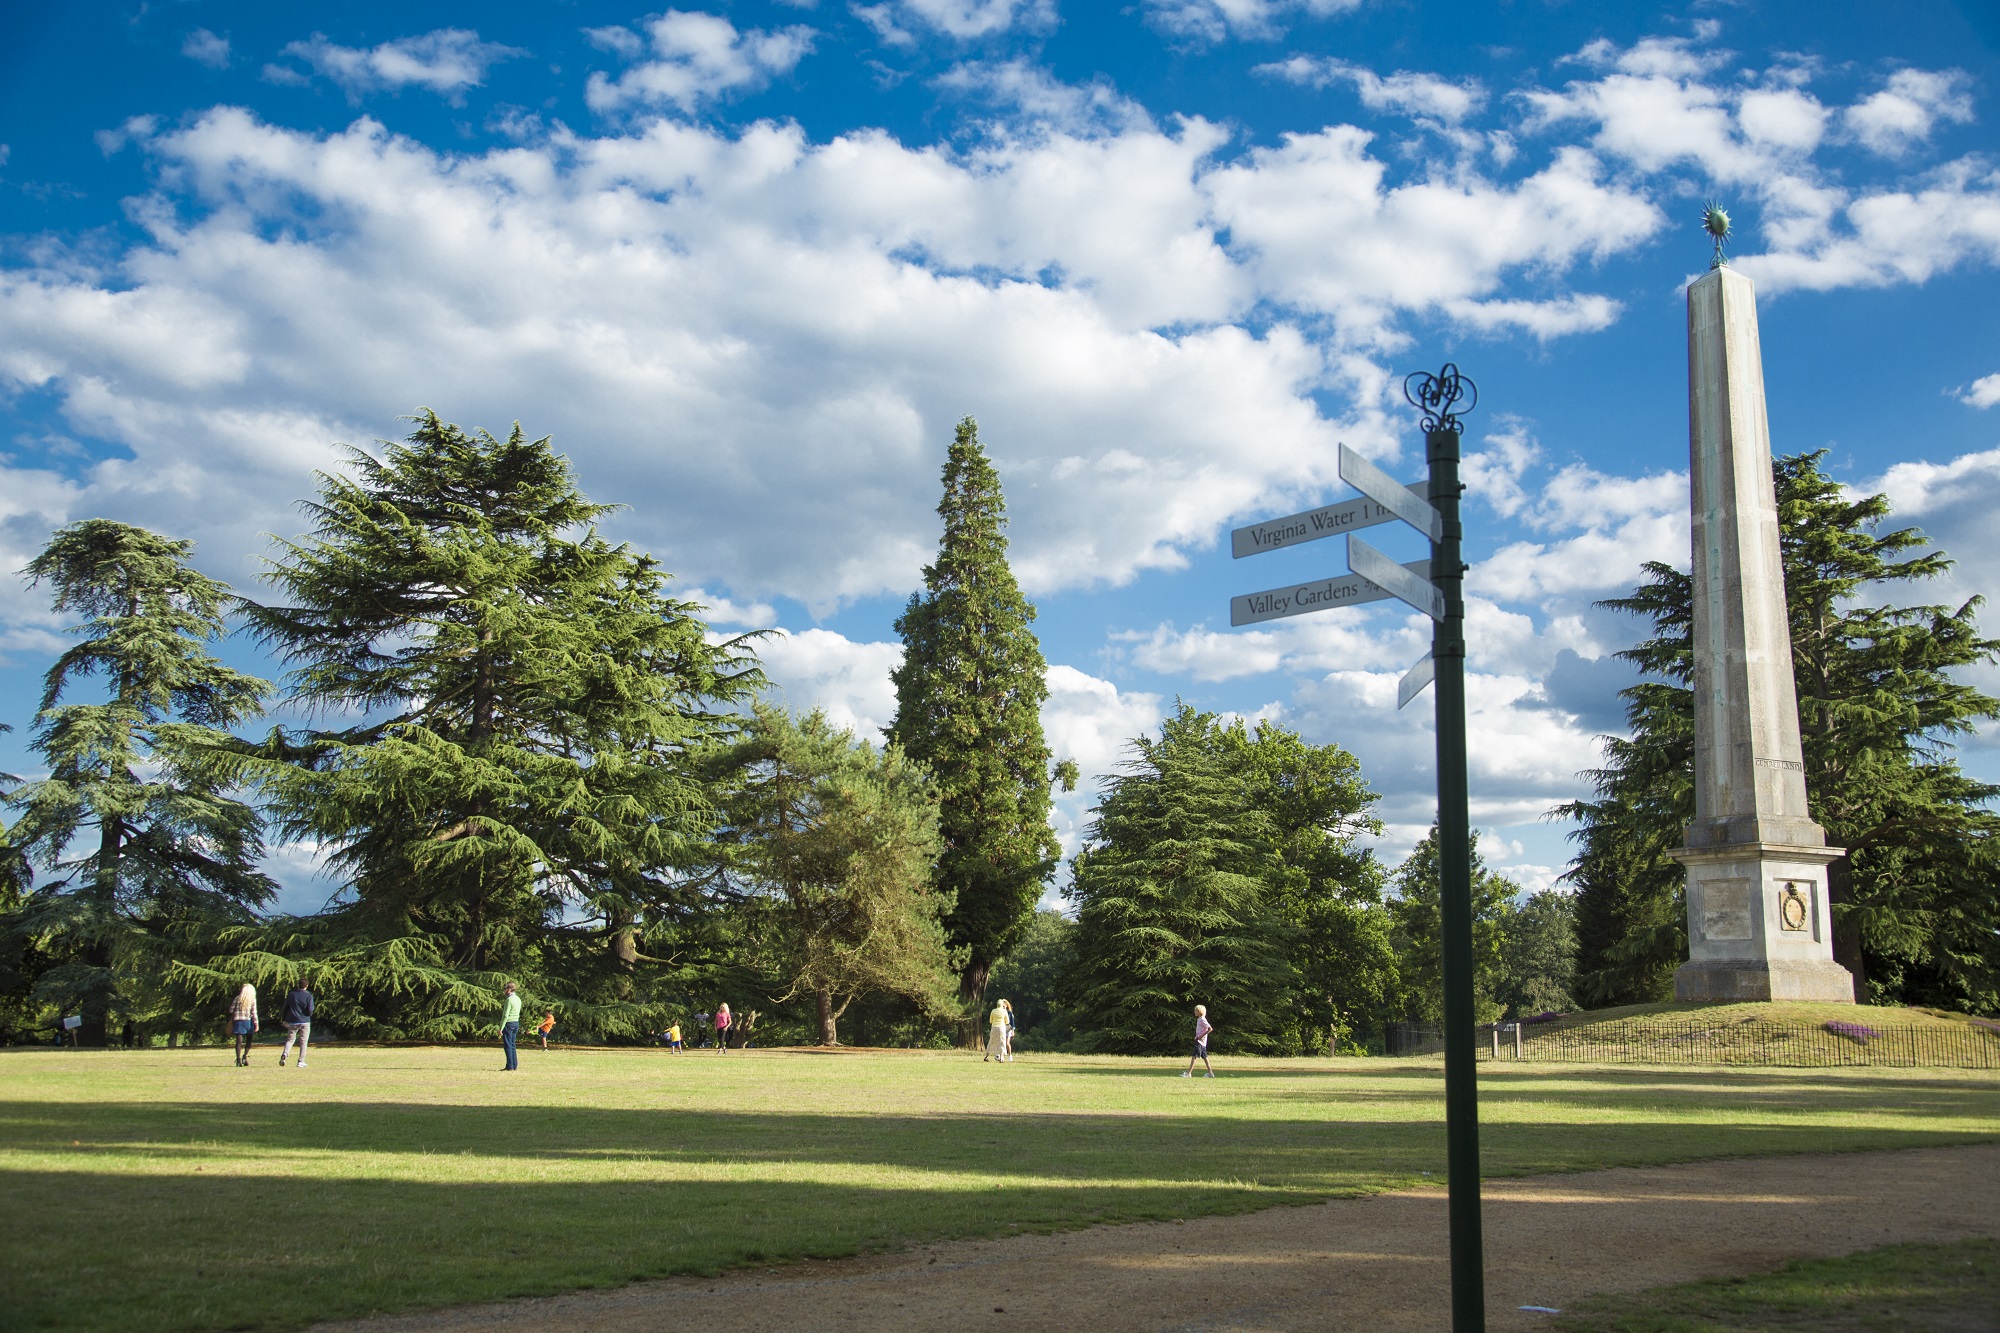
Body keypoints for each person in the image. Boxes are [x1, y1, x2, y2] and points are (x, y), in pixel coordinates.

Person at [279, 980, 314, 1068]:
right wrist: (308, 1014)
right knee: (303, 1041)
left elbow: (285, 1007)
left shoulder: (292, 994)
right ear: (306, 986)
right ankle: (301, 1061)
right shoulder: (308, 995)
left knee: (290, 1039)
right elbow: (310, 1009)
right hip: (304, 1021)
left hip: (293, 1020)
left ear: (298, 985)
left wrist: (284, 1018)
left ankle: (285, 1053)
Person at [229, 983, 260, 1066]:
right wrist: (256, 1024)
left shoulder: (237, 998)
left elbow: (231, 1010)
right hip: (248, 1021)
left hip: (238, 1021)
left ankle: (238, 1060)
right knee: (249, 1040)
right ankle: (245, 1056)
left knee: (239, 1041)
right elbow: (254, 1013)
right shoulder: (252, 999)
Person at [1181, 1005, 1214, 1078]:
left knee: (1194, 1056)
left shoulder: (1202, 1019)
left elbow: (1210, 1029)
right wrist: (1197, 1036)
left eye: (1196, 1010)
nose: (1194, 1012)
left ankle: (1188, 1073)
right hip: (1201, 1042)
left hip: (1200, 1042)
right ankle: (1210, 1073)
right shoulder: (1199, 1019)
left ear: (1199, 1011)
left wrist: (1200, 1037)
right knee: (1205, 1057)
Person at [499, 982, 522, 1071]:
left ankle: (509, 1066)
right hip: (516, 1023)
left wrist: (501, 1027)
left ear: (509, 989)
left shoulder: (509, 1000)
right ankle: (514, 1065)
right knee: (512, 1044)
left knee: (508, 1045)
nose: (504, 991)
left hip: (508, 1023)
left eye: (505, 989)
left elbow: (505, 1015)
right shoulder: (518, 999)